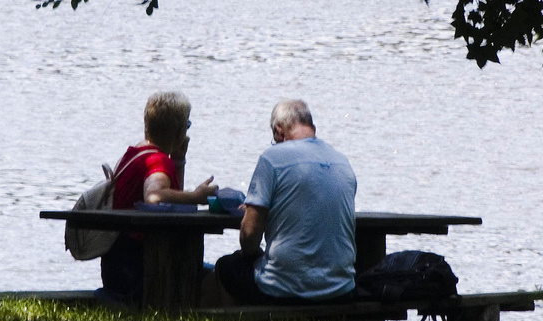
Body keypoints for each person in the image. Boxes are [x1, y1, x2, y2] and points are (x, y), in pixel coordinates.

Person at [214, 98, 357, 304]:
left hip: (284, 288)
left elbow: (249, 237)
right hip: (340, 287)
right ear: (312, 128)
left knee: (227, 266)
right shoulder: (342, 162)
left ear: (278, 132)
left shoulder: (272, 158)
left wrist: (255, 218)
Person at [101, 91, 218, 303]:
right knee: (216, 279)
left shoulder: (134, 154)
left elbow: (169, 201)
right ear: (181, 131)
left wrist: (179, 161)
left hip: (115, 267)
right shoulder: (157, 162)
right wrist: (197, 196)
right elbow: (154, 197)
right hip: (142, 269)